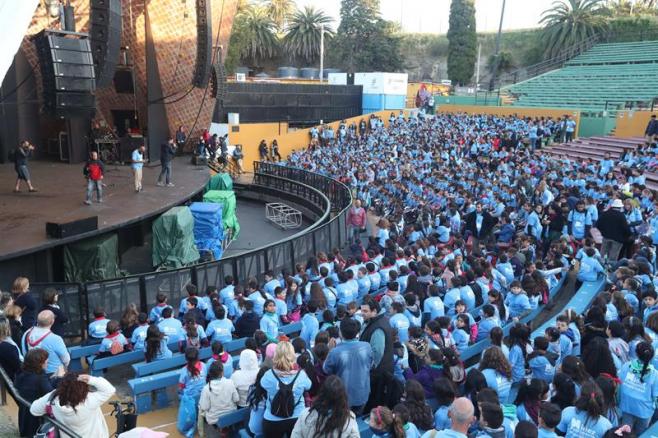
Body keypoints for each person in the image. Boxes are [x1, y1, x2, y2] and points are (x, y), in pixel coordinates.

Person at [30, 372, 116, 438]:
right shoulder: (89, 401)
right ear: (83, 387)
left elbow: (34, 410)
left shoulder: (54, 399)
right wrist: (90, 379)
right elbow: (109, 389)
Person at [259, 341, 312, 437]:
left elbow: (263, 384)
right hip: (297, 418)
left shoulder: (268, 375)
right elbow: (309, 386)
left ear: (276, 356)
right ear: (292, 355)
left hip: (273, 419)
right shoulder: (301, 375)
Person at [323, 317, 373, 412]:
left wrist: (329, 350)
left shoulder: (335, 352)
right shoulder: (367, 346)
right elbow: (370, 364)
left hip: (344, 399)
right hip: (362, 395)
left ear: (340, 333)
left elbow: (326, 369)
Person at [291, 375, 360, 438]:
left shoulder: (306, 414)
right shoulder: (349, 418)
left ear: (321, 393)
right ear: (343, 397)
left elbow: (295, 435)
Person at [360, 297, 394, 411]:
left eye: (365, 311)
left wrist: (369, 368)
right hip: (381, 370)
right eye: (362, 310)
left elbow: (377, 353)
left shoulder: (378, 328)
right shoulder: (379, 321)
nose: (362, 313)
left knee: (374, 400)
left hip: (378, 373)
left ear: (374, 311)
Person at [618, 341, 658, 434]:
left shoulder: (626, 366)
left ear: (636, 353)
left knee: (625, 434)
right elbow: (656, 398)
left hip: (626, 407)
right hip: (644, 412)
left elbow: (619, 387)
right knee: (641, 434)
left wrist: (619, 402)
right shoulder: (655, 374)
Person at [15, 349, 53, 437]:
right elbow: (50, 393)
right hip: (35, 416)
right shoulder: (40, 378)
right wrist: (58, 378)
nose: (47, 363)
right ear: (39, 364)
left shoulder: (21, 373)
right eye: (45, 361)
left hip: (24, 412)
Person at [21, 310, 69, 376]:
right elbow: (66, 360)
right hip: (54, 375)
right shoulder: (55, 339)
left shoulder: (26, 334)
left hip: (32, 374)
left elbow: (24, 353)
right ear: (52, 321)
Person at [199, 361, 239, 437]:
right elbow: (236, 399)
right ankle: (226, 428)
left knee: (202, 411)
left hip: (214, 418)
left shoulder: (206, 388)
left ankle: (221, 428)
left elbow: (204, 407)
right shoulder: (230, 382)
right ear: (222, 372)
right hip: (231, 413)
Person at [597, 199, 631, 264]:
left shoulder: (606, 213)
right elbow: (626, 229)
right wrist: (626, 237)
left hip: (606, 237)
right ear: (620, 207)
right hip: (617, 239)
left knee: (603, 255)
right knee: (613, 257)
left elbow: (598, 224)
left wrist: (603, 232)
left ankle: (600, 267)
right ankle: (610, 271)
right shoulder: (621, 216)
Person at [0, 316, 21, 381]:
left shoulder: (8, 346)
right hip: (7, 382)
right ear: (6, 328)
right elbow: (18, 367)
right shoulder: (8, 347)